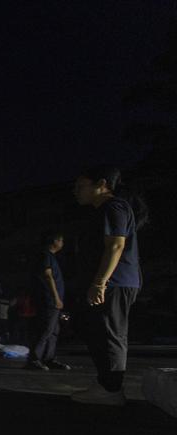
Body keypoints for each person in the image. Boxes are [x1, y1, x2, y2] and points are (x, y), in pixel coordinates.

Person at [71, 165, 146, 405]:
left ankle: (111, 390)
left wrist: (100, 282)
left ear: (101, 184)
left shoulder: (115, 206)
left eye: (81, 186)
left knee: (110, 333)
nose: (76, 191)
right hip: (108, 282)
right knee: (94, 329)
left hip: (114, 282)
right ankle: (106, 382)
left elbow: (116, 245)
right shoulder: (104, 210)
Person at [27, 231, 71, 371]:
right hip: (49, 299)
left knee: (53, 331)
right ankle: (34, 359)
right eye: (61, 240)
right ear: (55, 241)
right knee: (46, 329)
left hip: (54, 300)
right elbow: (48, 276)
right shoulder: (45, 255)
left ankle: (49, 358)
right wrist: (56, 297)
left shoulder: (51, 257)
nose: (62, 244)